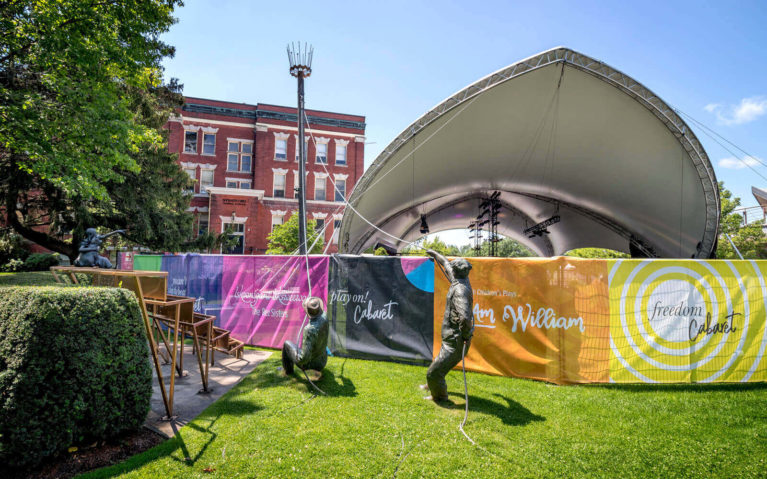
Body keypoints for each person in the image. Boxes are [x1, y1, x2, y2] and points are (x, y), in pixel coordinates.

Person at [423, 249, 473, 402]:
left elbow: (464, 318)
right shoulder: (460, 280)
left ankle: (439, 396)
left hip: (455, 340)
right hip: (451, 338)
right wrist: (433, 253)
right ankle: (433, 384)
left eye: (453, 269)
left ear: (456, 271)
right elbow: (445, 263)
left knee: (433, 373)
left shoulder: (459, 290)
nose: (450, 269)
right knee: (439, 363)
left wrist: (465, 336)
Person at [282, 296, 329, 375]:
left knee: (287, 344)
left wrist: (297, 358)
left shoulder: (309, 329)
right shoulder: (325, 317)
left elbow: (303, 359)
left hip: (311, 364)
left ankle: (288, 371)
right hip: (322, 360)